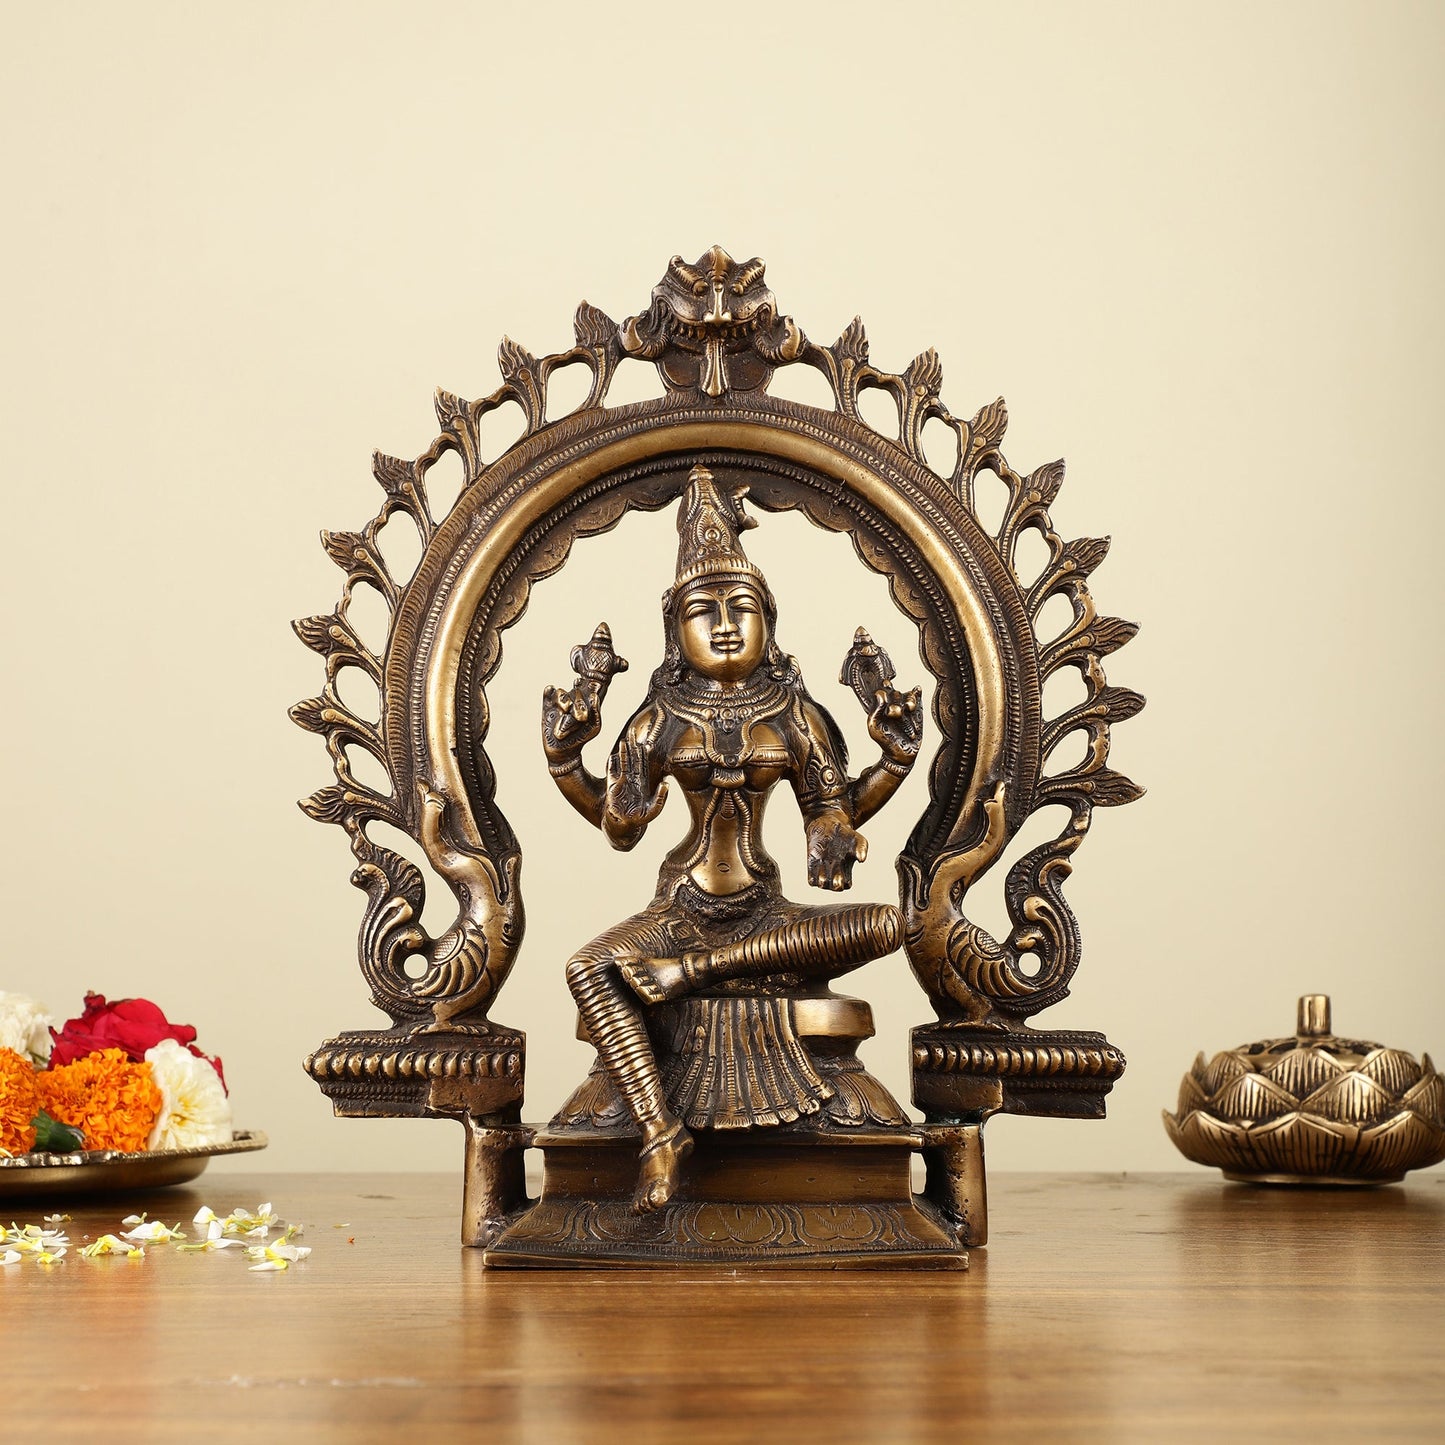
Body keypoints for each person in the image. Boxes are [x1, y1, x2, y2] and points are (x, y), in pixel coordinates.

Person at [541, 466, 922, 1212]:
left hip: (763, 912)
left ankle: (694, 973)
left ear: (768, 622)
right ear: (674, 631)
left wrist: (895, 761)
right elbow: (620, 827)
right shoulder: (656, 720)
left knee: (889, 922)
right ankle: (659, 1133)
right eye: (703, 610)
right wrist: (564, 759)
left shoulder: (795, 714)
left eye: (741, 607)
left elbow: (831, 815)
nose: (723, 624)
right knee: (587, 966)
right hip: (681, 908)